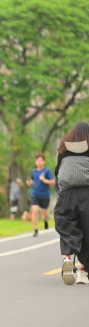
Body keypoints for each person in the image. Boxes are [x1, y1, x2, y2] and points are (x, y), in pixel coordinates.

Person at [54, 121, 89, 285]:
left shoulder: (63, 148)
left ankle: (67, 258)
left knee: (67, 228)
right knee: (87, 232)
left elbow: (57, 171)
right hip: (86, 194)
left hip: (66, 194)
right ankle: (83, 271)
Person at [26, 153, 54, 237]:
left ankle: (45, 220)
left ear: (44, 162)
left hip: (45, 194)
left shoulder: (47, 171)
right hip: (35, 193)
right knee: (35, 210)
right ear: (35, 162)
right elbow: (32, 180)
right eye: (37, 160)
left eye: (41, 160)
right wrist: (29, 182)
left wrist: (44, 180)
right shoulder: (33, 171)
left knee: (45, 213)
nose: (39, 162)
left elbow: (53, 181)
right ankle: (35, 229)